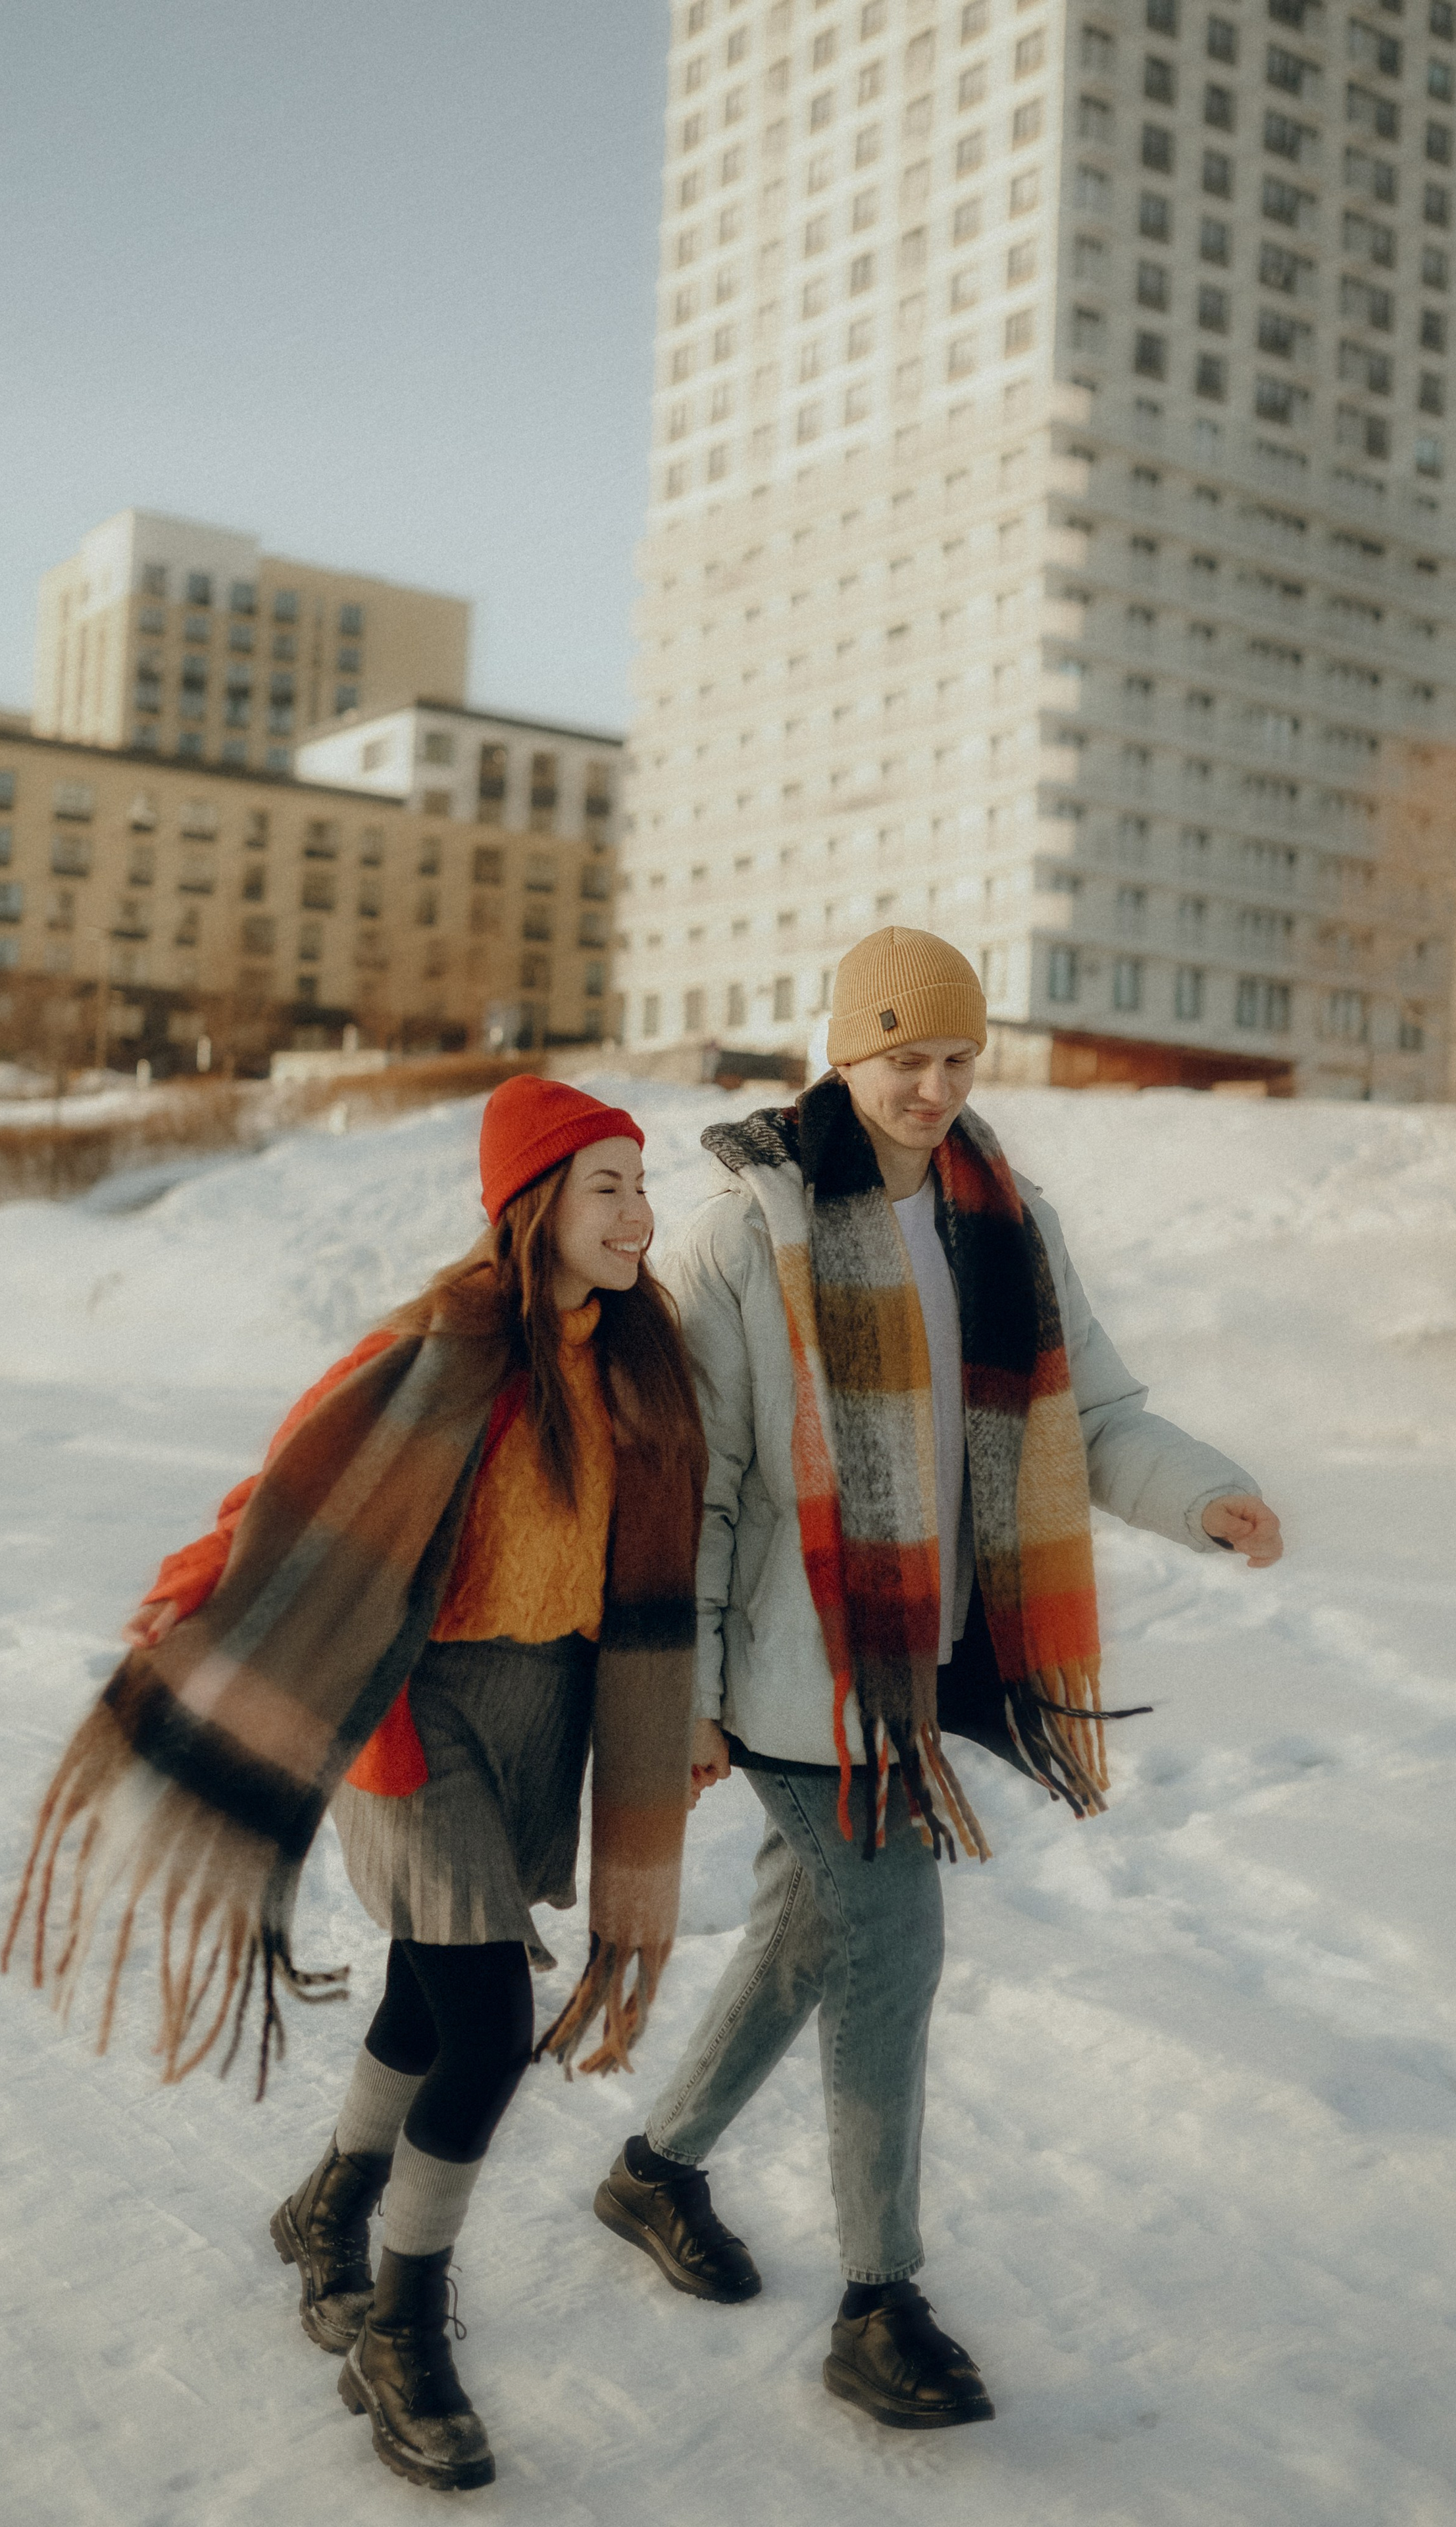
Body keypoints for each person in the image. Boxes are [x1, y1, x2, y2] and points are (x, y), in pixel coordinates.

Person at [593, 929, 1284, 2432]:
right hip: (789, 1676)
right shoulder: (739, 1235)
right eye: (904, 1054)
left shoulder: (1000, 1218)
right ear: (842, 1054)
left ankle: (652, 2175)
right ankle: (876, 2303)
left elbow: (1091, 1409)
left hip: (920, 1668)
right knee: (888, 1952)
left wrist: (1202, 1493)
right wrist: (690, 1694)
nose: (932, 1085)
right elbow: (691, 1485)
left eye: (957, 1057)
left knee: (808, 1935)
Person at [5, 1079, 707, 2493]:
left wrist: (681, 1715)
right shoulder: (441, 1348)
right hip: (415, 1709)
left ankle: (329, 2201)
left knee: (422, 1990)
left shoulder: (639, 1364)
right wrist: (199, 1608)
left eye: (642, 1184)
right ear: (533, 1207)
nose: (638, 1214)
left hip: (548, 1715)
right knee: (492, 2017)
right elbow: (289, 1487)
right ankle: (404, 2331)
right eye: (606, 1186)